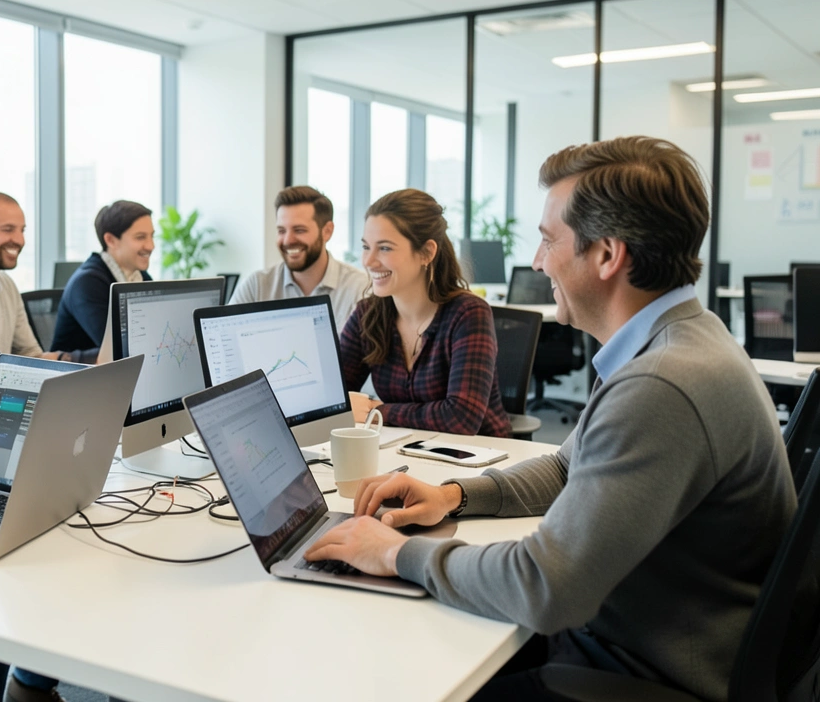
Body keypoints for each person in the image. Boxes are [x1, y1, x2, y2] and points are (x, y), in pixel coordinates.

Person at [305, 136, 796, 702]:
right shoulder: (681, 341)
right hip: (635, 640)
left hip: (637, 671)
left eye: (547, 240)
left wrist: (393, 553)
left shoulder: (663, 384)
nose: (538, 263)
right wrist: (453, 496)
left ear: (607, 255)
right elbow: (566, 468)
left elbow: (544, 586)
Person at [338, 188, 510, 437]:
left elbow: (461, 419)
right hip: (406, 452)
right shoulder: (369, 314)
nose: (369, 261)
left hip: (477, 460)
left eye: (385, 248)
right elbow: (337, 396)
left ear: (427, 252)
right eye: (366, 247)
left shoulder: (468, 314)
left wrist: (376, 411)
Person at [230, 185, 369, 329]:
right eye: (281, 230)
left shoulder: (360, 288)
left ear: (327, 231)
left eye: (299, 230)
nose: (288, 240)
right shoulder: (256, 286)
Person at [49, 200, 153, 359]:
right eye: (140, 237)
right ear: (111, 240)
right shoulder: (87, 283)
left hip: (118, 375)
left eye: (152, 236)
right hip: (78, 378)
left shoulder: (141, 277)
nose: (150, 246)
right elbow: (119, 348)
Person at [0, 191, 64, 360]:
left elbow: (30, 354)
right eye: (8, 229)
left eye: (22, 230)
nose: (20, 240)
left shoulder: (8, 285)